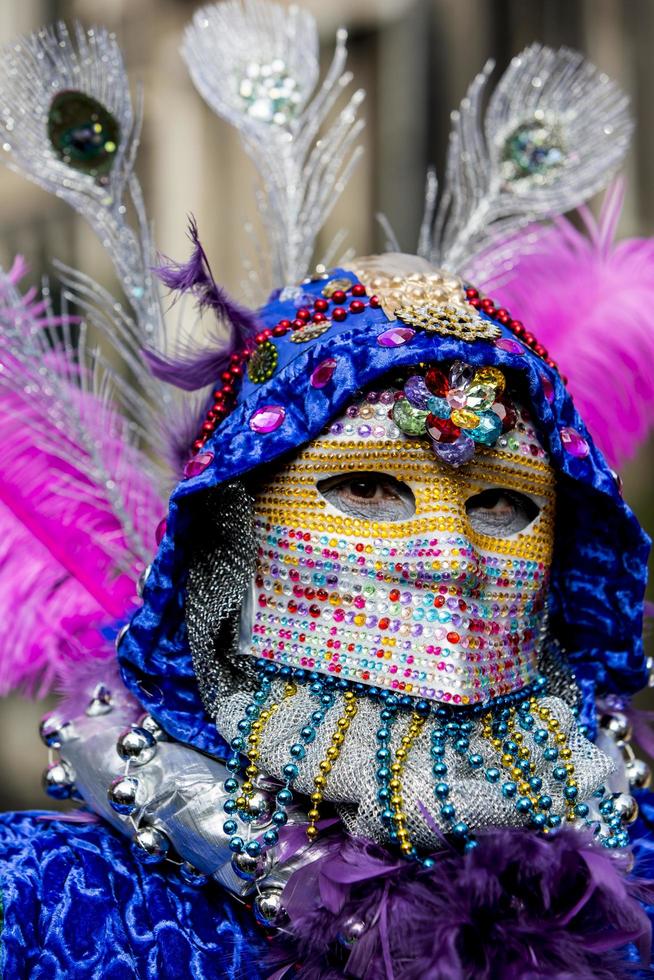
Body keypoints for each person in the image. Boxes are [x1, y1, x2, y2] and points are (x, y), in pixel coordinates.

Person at [0, 3, 654, 977]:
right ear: (230, 555)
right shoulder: (42, 899)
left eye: (503, 504)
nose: (451, 559)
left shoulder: (631, 887)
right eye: (368, 487)